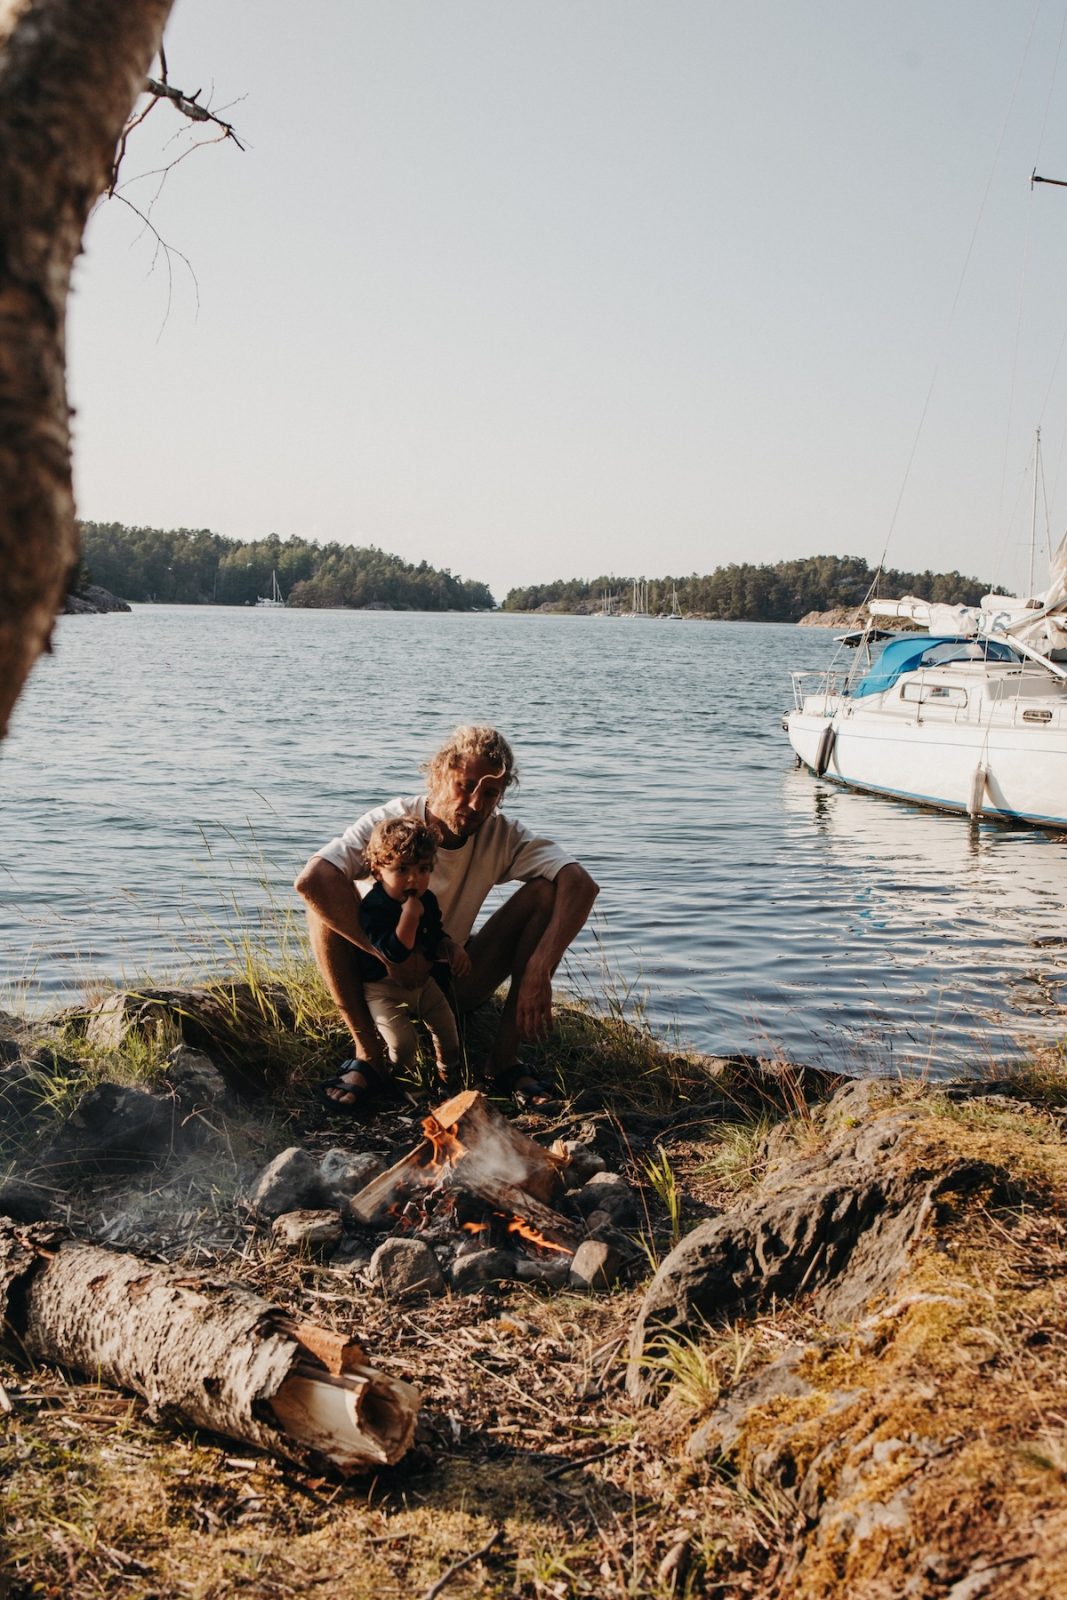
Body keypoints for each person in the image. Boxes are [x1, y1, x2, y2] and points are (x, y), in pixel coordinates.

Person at [294, 725, 599, 1112]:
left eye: (490, 793)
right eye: (465, 785)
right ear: (438, 775)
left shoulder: (500, 834)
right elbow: (312, 880)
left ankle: (503, 1061)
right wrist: (388, 957)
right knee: (323, 904)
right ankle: (368, 1054)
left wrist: (540, 968)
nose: (475, 803)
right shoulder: (392, 823)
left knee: (545, 891)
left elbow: (581, 884)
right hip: (376, 972)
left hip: (447, 977)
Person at [338, 813, 468, 1098]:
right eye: (402, 869)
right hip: (382, 988)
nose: (414, 879)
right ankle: (403, 1085)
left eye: (423, 869)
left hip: (422, 984)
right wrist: (409, 916)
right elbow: (393, 953)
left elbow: (434, 936)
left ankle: (448, 1078)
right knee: (403, 1043)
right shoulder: (375, 906)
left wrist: (451, 948)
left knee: (448, 1031)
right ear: (377, 870)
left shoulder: (426, 900)